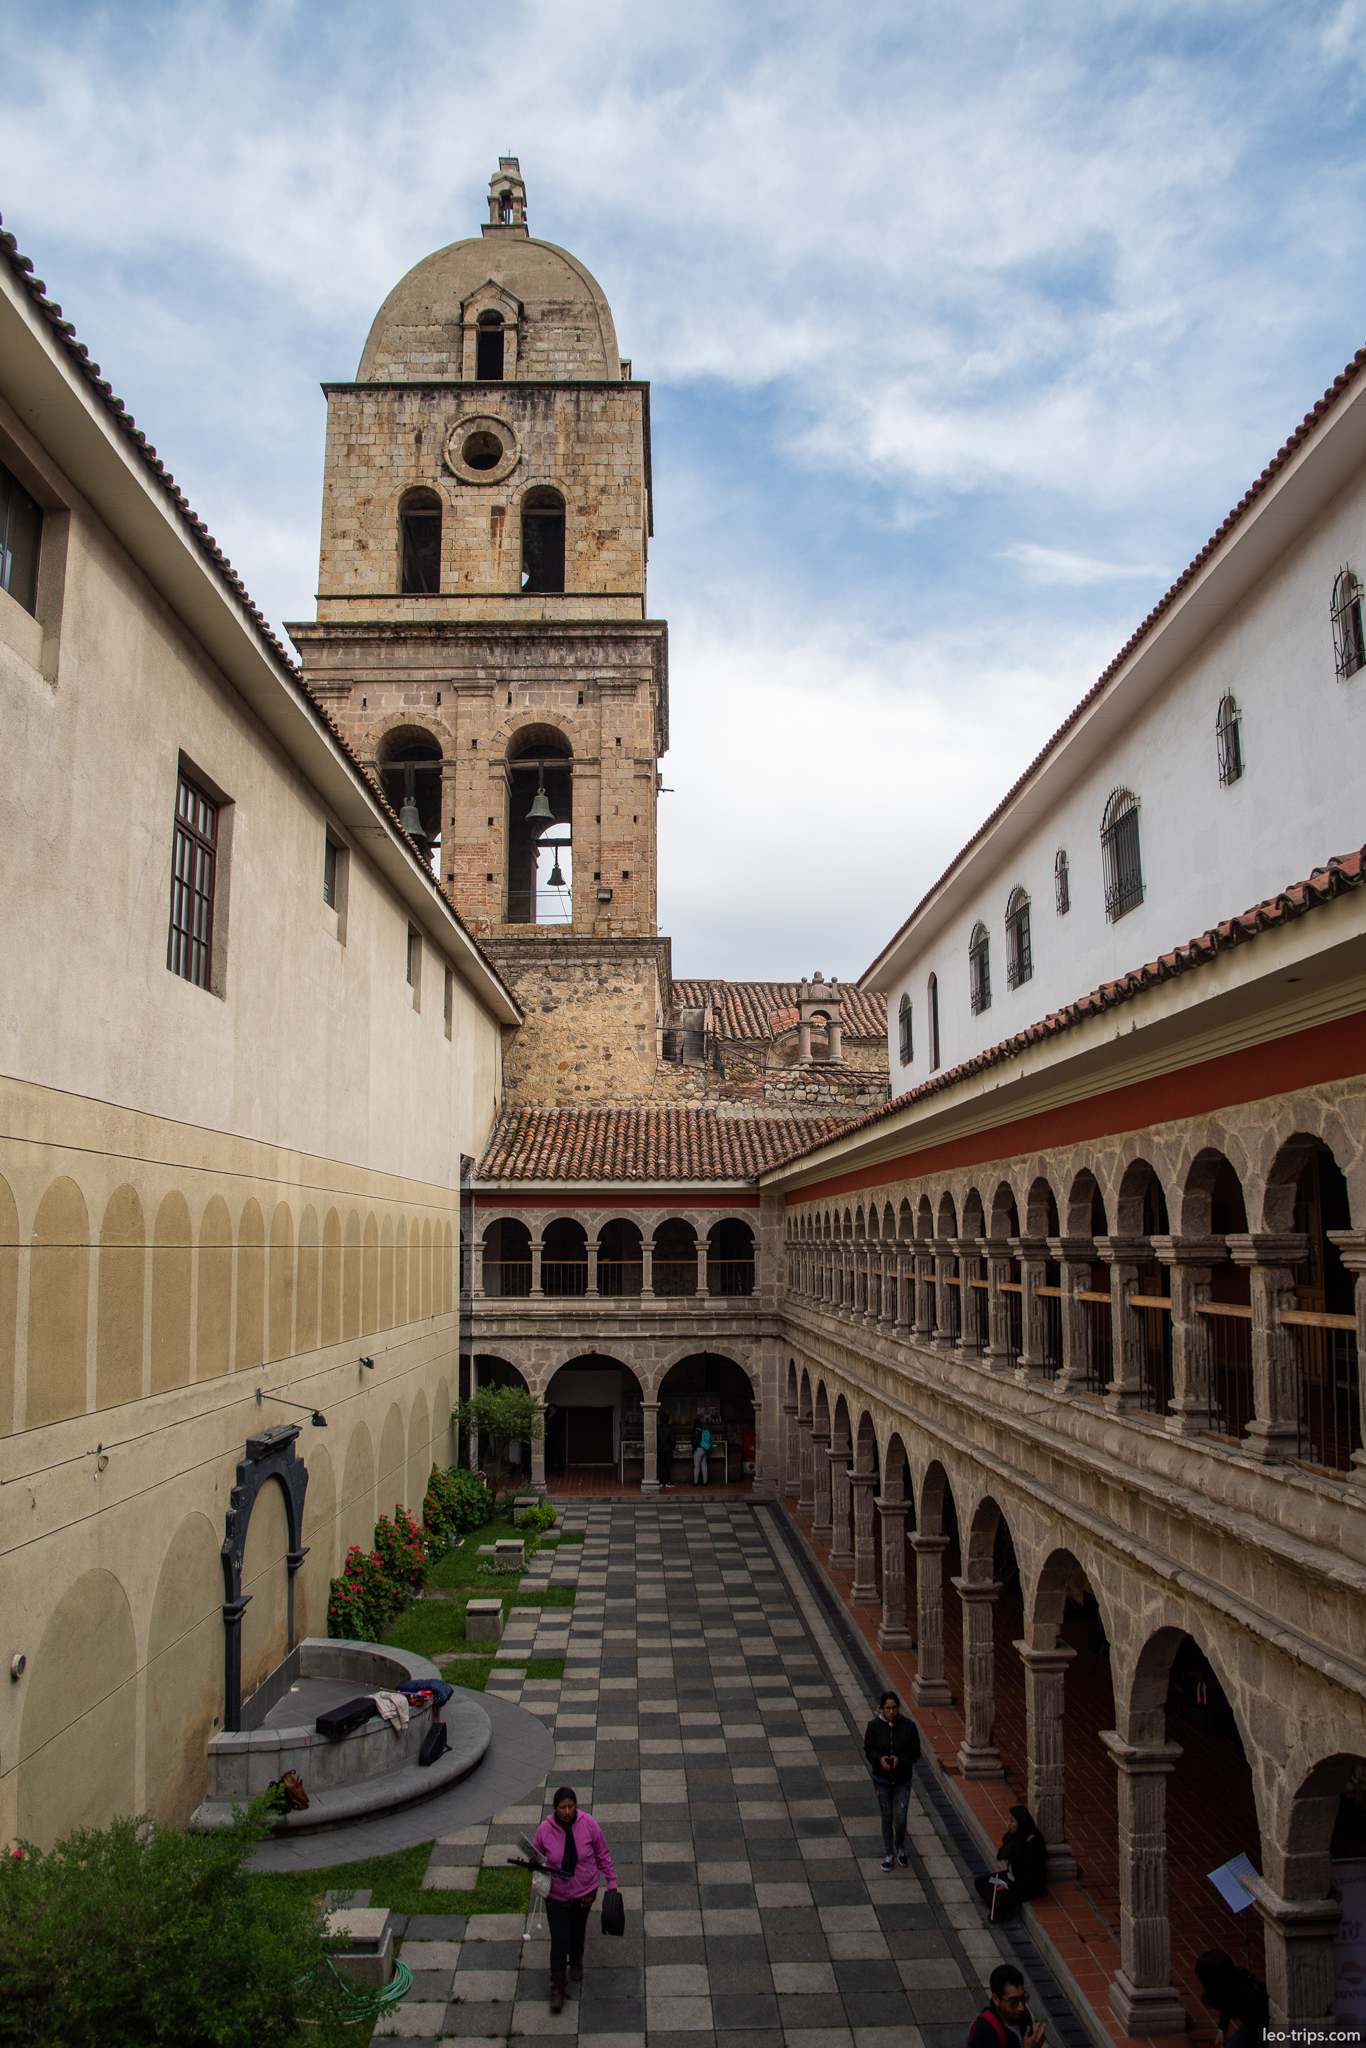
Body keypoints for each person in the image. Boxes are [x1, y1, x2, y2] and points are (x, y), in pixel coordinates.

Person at [531, 1785, 618, 2012]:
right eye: (563, 1807)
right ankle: (557, 1989)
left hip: (584, 1891)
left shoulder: (588, 1823)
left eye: (571, 1806)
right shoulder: (544, 1829)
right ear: (555, 1808)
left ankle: (577, 1958)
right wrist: (536, 1866)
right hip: (556, 1895)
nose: (567, 1811)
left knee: (578, 1929)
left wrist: (611, 1880)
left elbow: (602, 1853)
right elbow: (536, 1855)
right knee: (560, 1939)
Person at [863, 1688, 921, 1870]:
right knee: (887, 1816)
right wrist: (879, 1759)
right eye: (888, 1708)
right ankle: (889, 1852)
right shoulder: (874, 1727)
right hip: (882, 1780)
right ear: (882, 1708)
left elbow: (915, 1752)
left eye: (894, 1708)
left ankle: (900, 1847)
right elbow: (869, 1750)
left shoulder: (908, 1727)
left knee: (901, 1817)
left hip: (902, 1779)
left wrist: (900, 1759)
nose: (891, 1712)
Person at [972, 1805, 1047, 1920]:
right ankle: (998, 1905)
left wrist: (1008, 1886)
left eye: (1012, 1821)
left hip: (1025, 1886)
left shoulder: (1033, 1847)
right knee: (980, 1882)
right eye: (1009, 1820)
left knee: (1000, 1900)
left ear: (1021, 1823)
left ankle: (1003, 1909)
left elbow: (1029, 1879)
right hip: (1010, 1876)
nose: (1008, 1823)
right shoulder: (1017, 1836)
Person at [1195, 1949, 1269, 2048]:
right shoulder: (1232, 1983)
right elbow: (1227, 2005)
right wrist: (1221, 2029)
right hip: (1255, 2025)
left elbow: (1260, 2028)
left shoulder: (1247, 1998)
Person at [967, 1963, 1046, 2048]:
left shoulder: (1024, 2016)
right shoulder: (984, 2032)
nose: (1021, 2007)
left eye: (1022, 1998)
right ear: (996, 1999)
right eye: (1013, 2001)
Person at [657, 1416, 676, 1488]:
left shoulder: (657, 1429)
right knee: (668, 1466)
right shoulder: (670, 1429)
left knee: (660, 1466)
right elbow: (673, 1441)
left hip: (660, 1449)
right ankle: (668, 1481)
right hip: (668, 1450)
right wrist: (672, 1447)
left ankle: (660, 1481)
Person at [691, 1416, 711, 1485]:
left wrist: (693, 1449)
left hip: (698, 1450)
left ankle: (695, 1481)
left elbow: (694, 1442)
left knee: (697, 1466)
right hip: (704, 1449)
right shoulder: (703, 1431)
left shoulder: (695, 1431)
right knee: (704, 1465)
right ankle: (705, 1481)